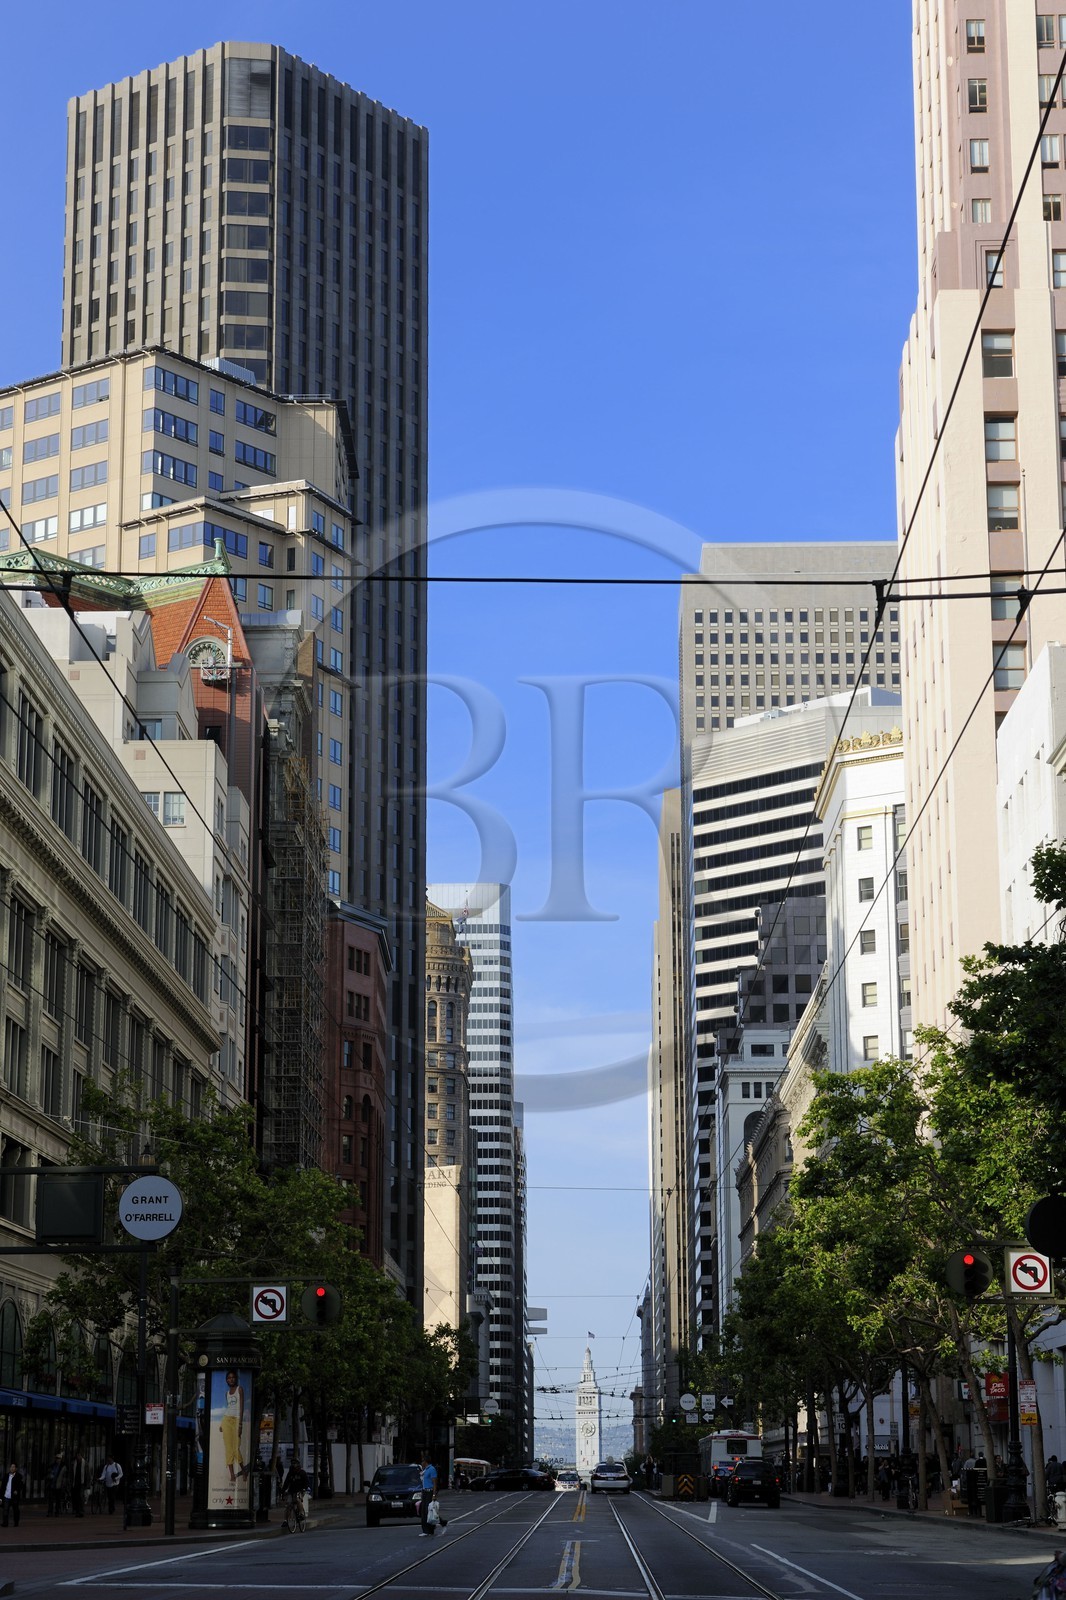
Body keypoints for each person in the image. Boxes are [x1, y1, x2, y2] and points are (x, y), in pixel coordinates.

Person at [219, 1370, 248, 1484]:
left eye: (233, 1377)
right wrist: (222, 1424)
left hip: (236, 1420)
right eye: (229, 1378)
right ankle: (232, 1474)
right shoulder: (226, 1393)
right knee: (228, 1449)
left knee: (236, 1448)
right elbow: (228, 1408)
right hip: (227, 1420)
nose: (231, 1379)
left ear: (236, 1379)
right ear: (226, 1380)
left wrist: (240, 1424)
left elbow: (241, 1407)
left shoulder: (239, 1389)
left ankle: (244, 1470)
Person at [419, 1453, 439, 1537]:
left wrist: (434, 1494)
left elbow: (434, 1483)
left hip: (429, 1492)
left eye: (422, 1461)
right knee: (423, 1511)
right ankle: (426, 1530)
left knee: (428, 1511)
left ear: (426, 1461)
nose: (421, 1462)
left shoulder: (431, 1469)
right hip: (424, 1491)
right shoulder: (425, 1470)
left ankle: (429, 1530)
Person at [1, 1463, 25, 1528]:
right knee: (5, 1510)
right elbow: (2, 1487)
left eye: (13, 1467)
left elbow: (21, 1485)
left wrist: (17, 1490)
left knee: (16, 1510)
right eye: (11, 1467)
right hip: (6, 1496)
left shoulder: (19, 1476)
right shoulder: (6, 1476)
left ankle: (16, 1522)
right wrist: (1, 1497)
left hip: (14, 1497)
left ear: (16, 1468)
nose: (12, 1468)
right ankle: (5, 1523)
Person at [45, 1452, 67, 1516]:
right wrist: (49, 1476)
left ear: (61, 1459)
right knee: (50, 1499)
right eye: (57, 1458)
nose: (58, 1460)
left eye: (59, 1458)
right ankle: (50, 1511)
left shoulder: (63, 1467)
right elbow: (48, 1474)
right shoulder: (52, 1466)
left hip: (59, 1485)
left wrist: (63, 1484)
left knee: (58, 1499)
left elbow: (64, 1477)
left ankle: (57, 1511)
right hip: (52, 1484)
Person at [70, 1450, 88, 1517]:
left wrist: (87, 1483)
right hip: (75, 1483)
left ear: (81, 1456)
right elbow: (71, 1474)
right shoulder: (73, 1463)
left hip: (82, 1483)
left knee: (80, 1497)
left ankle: (81, 1511)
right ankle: (77, 1511)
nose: (78, 1457)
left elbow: (87, 1474)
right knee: (75, 1497)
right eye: (77, 1455)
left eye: (79, 1455)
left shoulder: (85, 1463)